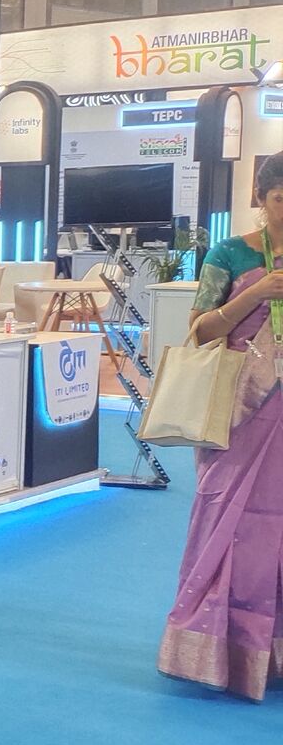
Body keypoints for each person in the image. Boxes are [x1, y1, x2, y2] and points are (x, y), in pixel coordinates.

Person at [159, 151, 283, 701]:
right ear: (260, 198)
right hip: (237, 408)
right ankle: (214, 646)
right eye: (279, 199)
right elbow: (201, 330)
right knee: (225, 519)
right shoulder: (230, 253)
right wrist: (256, 293)